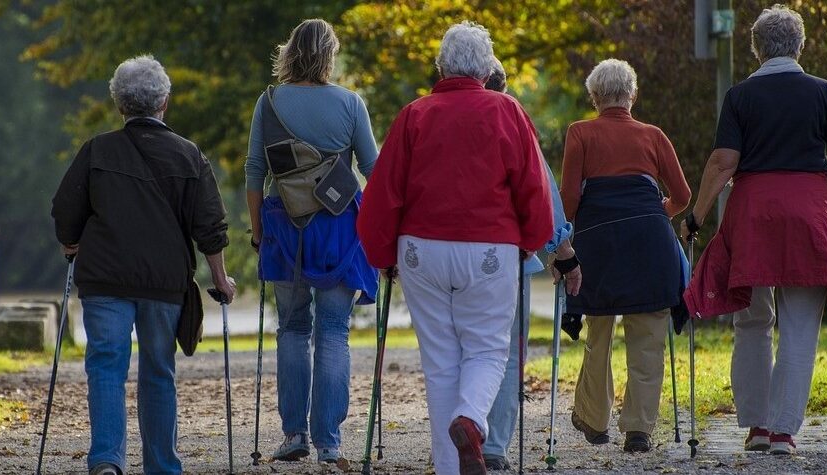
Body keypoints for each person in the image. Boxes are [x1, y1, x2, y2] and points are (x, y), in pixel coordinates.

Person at [357, 21, 553, 475]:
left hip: (421, 248)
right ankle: (471, 418)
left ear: (441, 66)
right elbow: (533, 188)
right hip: (489, 245)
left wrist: (382, 254)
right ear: (486, 69)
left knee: (440, 360)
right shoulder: (507, 111)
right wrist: (531, 240)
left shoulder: (414, 115)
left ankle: (451, 466)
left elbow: (384, 191)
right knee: (486, 350)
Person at [680, 4, 827, 456]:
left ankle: (757, 427)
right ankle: (785, 431)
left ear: (757, 49)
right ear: (799, 45)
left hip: (753, 215)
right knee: (801, 323)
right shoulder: (822, 91)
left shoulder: (740, 96)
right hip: (809, 213)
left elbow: (723, 163)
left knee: (751, 319)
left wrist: (697, 216)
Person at [51, 55, 235, 475]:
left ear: (119, 104)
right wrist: (221, 279)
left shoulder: (97, 150)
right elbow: (210, 225)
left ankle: (107, 461)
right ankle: (162, 466)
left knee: (106, 366)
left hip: (104, 279)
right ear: (164, 102)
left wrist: (70, 243)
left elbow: (65, 208)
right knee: (158, 371)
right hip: (163, 283)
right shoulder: (189, 155)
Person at [245, 19, 379, 465]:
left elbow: (253, 172)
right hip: (339, 226)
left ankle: (293, 434)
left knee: (292, 327)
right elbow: (373, 171)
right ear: (329, 55)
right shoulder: (350, 103)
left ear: (290, 52)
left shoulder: (269, 103)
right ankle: (329, 443)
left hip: (284, 225)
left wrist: (258, 231)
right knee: (334, 330)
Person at [561, 59, 692, 453]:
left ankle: (595, 419)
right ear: (632, 95)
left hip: (598, 244)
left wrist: (562, 243)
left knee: (598, 331)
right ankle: (638, 430)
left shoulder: (579, 133)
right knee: (649, 335)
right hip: (649, 245)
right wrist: (654, 215)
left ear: (595, 97)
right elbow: (683, 197)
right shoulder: (653, 135)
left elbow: (569, 198)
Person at [480, 58, 582, 471]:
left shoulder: (436, 119)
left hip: (446, 255)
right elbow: (543, 195)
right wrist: (565, 256)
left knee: (461, 350)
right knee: (507, 351)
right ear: (503, 88)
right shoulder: (514, 121)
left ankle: (462, 430)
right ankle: (494, 444)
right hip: (509, 256)